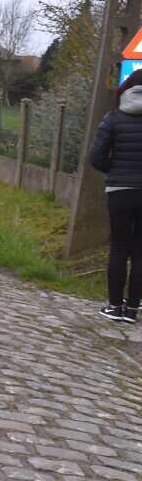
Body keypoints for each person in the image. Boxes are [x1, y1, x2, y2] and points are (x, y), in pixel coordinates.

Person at [89, 69, 142, 323]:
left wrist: (115, 169)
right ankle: (133, 309)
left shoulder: (113, 118)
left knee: (119, 247)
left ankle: (114, 306)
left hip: (119, 191)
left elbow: (96, 157)